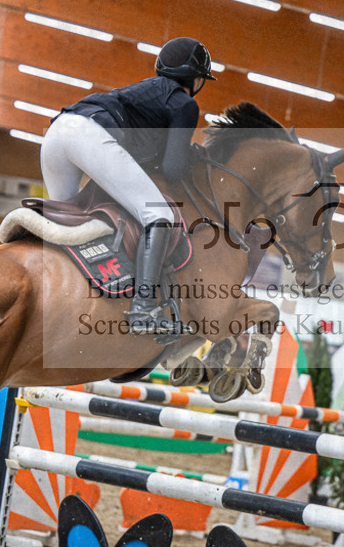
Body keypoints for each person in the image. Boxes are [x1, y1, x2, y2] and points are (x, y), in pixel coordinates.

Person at [40, 37, 216, 339]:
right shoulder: (185, 104)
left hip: (57, 132)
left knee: (66, 226)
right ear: (195, 78)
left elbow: (146, 157)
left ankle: (55, 289)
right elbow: (173, 169)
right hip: (89, 135)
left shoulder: (147, 93)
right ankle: (144, 309)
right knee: (160, 216)